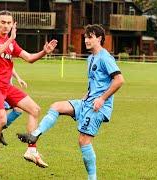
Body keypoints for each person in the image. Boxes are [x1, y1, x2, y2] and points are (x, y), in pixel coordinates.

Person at [17, 24, 124, 180]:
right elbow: (97, 82)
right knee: (56, 106)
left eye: (90, 37)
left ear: (99, 38)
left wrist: (102, 98)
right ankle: (35, 135)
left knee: (84, 141)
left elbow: (119, 80)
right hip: (87, 102)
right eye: (85, 37)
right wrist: (87, 94)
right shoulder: (91, 58)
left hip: (98, 107)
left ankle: (92, 178)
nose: (86, 40)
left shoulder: (105, 57)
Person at [0, 10, 57, 179]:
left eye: (9, 23)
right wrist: (10, 40)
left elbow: (29, 58)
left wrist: (44, 52)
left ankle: (31, 151)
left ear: (13, 24)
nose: (6, 25)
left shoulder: (11, 43)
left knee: (34, 110)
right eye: (3, 22)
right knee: (1, 119)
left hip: (5, 86)